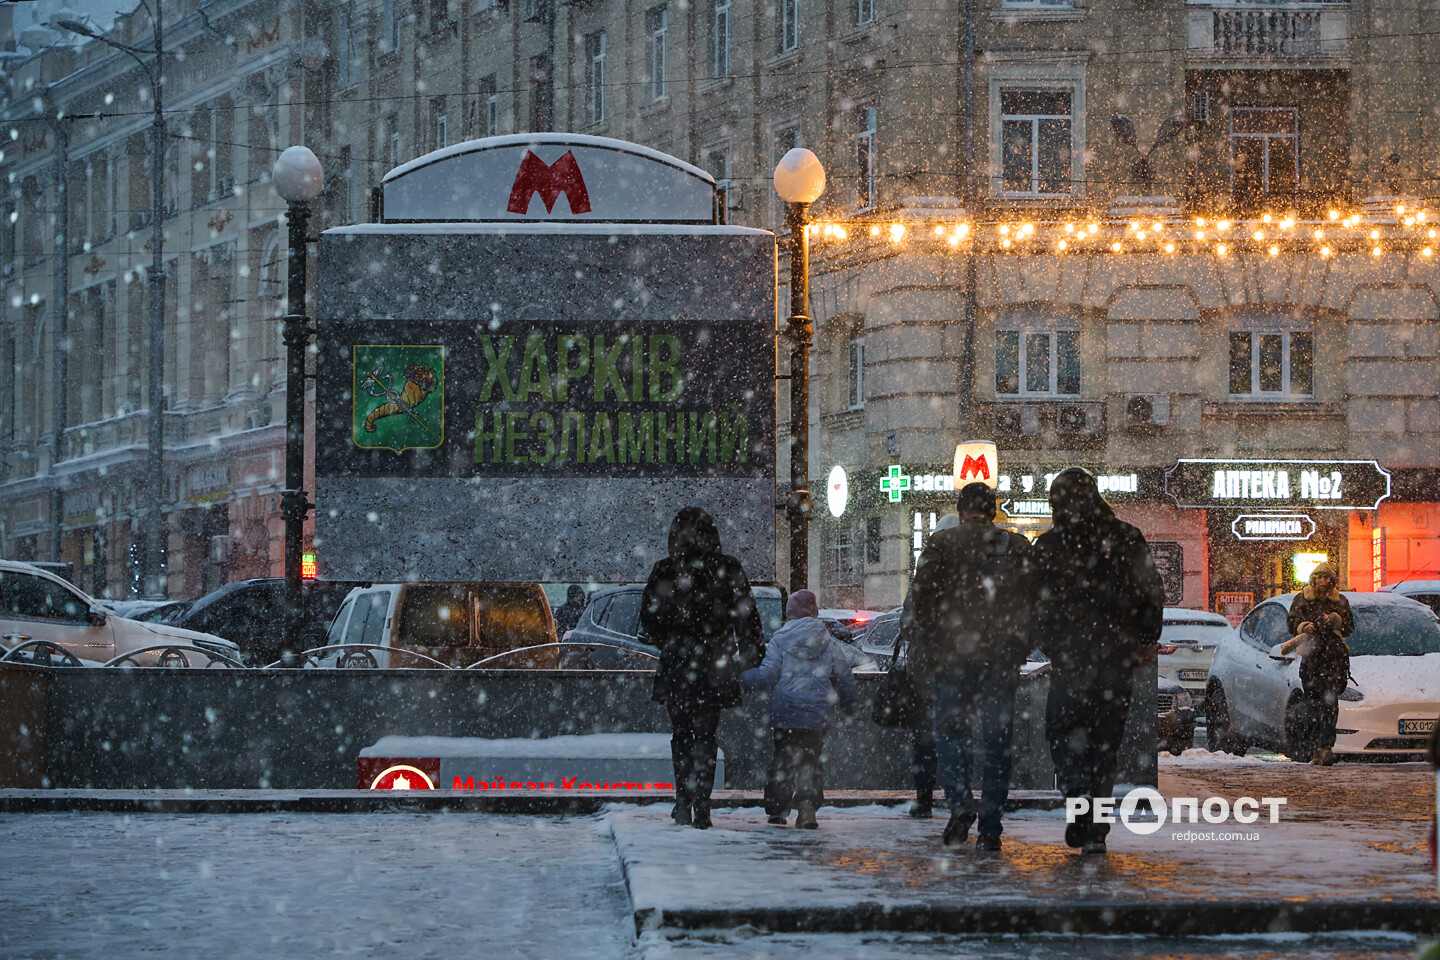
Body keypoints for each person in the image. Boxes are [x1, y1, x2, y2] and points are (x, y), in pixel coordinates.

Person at [1029, 468, 1164, 855]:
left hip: (1072, 660)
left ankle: (1076, 798)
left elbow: (1031, 604)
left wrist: (1048, 641)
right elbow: (1151, 592)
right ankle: (1097, 831)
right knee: (1104, 747)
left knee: (1063, 735)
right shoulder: (1126, 538)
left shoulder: (1050, 545)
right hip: (1115, 660)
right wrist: (1143, 637)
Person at [909, 483, 1033, 851]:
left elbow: (921, 600)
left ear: (961, 512)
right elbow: (1033, 601)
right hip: (1000, 658)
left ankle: (960, 801)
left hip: (953, 656)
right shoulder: (1016, 546)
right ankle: (991, 828)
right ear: (992, 511)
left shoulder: (941, 544)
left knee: (951, 733)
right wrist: (1019, 644)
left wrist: (934, 645)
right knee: (997, 743)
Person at [640, 506, 764, 829]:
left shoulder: (666, 570)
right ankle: (702, 808)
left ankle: (682, 801)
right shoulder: (728, 568)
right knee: (706, 735)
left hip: (679, 663)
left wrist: (672, 637)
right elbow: (747, 617)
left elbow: (649, 622)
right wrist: (747, 655)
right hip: (715, 662)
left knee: (680, 733)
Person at [741, 589, 860, 829]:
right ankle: (807, 809)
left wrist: (741, 677)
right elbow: (844, 677)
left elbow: (766, 677)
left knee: (783, 759)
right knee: (810, 759)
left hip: (785, 713)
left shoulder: (780, 640)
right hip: (817, 714)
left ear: (789, 614)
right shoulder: (828, 642)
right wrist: (849, 704)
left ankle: (777, 809)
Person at [893, 515, 962, 819]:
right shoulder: (968, 574)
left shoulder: (926, 574)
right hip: (958, 674)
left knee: (924, 741)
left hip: (925, 674)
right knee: (955, 738)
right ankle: (958, 801)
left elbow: (907, 623)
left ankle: (925, 799)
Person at [1281, 563, 1354, 766]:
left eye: (1326, 578)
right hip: (1311, 659)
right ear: (1313, 580)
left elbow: (1349, 627)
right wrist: (1305, 626)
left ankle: (1326, 748)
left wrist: (1335, 620)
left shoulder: (1340, 600)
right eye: (1318, 578)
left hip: (1333, 659)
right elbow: (1291, 623)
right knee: (1312, 706)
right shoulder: (1302, 598)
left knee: (1330, 705)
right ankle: (1314, 748)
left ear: (1332, 580)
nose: (1322, 582)